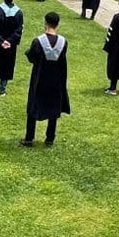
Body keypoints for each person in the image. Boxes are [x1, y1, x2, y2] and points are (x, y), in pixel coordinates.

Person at [21, 11, 70, 147]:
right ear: (57, 24)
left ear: (45, 22)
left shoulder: (38, 41)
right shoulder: (63, 42)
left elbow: (31, 57)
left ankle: (29, 138)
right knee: (53, 108)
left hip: (39, 79)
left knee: (33, 105)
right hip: (56, 80)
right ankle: (50, 138)